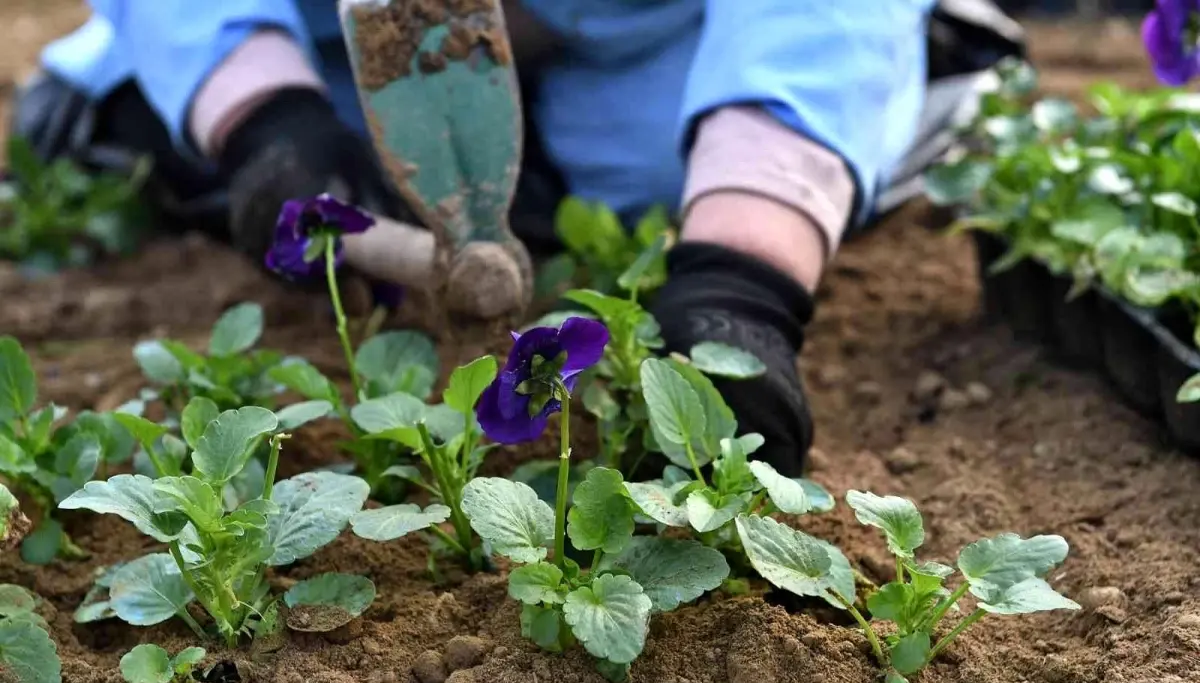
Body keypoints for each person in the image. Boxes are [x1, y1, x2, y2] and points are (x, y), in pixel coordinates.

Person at [10, 0, 1024, 474]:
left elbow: (817, 25)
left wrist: (740, 278)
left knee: (720, 162)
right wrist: (268, 122)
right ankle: (244, 124)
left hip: (646, 44)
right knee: (185, 117)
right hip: (337, 38)